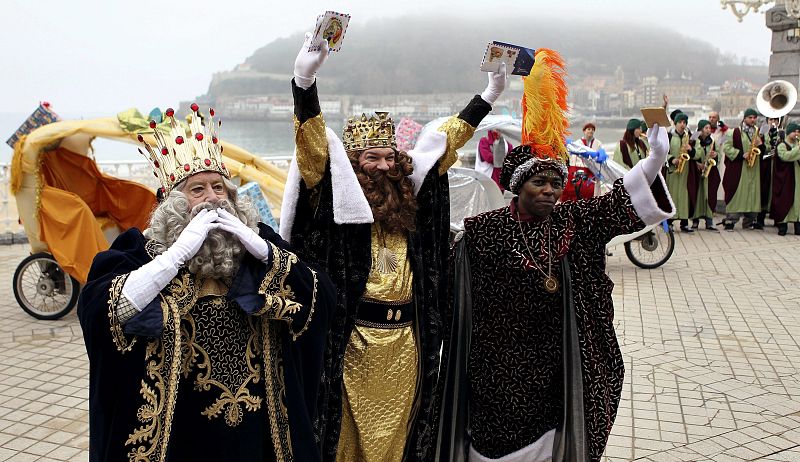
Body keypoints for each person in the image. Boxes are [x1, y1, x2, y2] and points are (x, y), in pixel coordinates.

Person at [437, 48, 675, 462]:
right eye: (539, 182)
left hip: (558, 367)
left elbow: (622, 202)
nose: (549, 190)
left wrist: (654, 159)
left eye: (555, 182)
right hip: (495, 370)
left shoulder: (575, 221)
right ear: (516, 186)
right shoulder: (482, 232)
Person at [280, 33, 507, 462]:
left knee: (399, 439)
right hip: (351, 348)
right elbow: (312, 150)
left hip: (406, 346)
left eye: (389, 158)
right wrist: (304, 82)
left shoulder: (410, 200)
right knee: (343, 441)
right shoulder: (335, 198)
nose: (383, 167)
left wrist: (489, 94)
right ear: (354, 164)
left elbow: (444, 141)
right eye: (371, 159)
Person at [77, 105, 336, 462]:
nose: (213, 198)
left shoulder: (258, 244)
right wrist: (176, 257)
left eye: (220, 188)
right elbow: (104, 311)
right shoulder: (140, 251)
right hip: (178, 435)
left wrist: (262, 249)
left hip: (257, 434)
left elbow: (321, 299)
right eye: (197, 190)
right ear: (172, 204)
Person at [721, 108, 766, 231]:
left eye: (754, 117)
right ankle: (731, 220)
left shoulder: (757, 133)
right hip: (740, 169)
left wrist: (760, 144)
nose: (753, 120)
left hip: (753, 169)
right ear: (744, 118)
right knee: (737, 194)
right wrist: (741, 154)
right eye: (750, 117)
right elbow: (727, 148)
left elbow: (763, 152)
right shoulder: (734, 132)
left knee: (752, 195)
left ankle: (749, 221)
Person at [666, 112, 701, 232]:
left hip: (686, 171)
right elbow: (662, 153)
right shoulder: (669, 136)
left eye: (684, 122)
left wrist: (691, 149)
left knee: (685, 196)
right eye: (680, 122)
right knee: (672, 195)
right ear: (675, 123)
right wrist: (672, 159)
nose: (682, 125)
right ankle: (669, 222)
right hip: (672, 172)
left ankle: (684, 223)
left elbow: (699, 153)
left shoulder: (690, 137)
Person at [771, 122, 800, 235]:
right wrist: (798, 150)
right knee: (785, 200)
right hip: (786, 179)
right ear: (789, 132)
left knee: (797, 201)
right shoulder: (782, 145)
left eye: (798, 132)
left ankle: (798, 224)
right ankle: (782, 225)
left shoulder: (797, 144)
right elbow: (785, 156)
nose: (797, 134)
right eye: (794, 131)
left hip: (797, 178)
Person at [690, 120, 720, 230]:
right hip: (697, 172)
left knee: (709, 196)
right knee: (697, 196)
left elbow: (719, 156)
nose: (708, 130)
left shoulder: (712, 141)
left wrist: (715, 155)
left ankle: (709, 221)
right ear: (701, 129)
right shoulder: (694, 141)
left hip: (709, 173)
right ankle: (695, 220)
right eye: (706, 128)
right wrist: (697, 164)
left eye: (709, 128)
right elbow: (690, 155)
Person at [562, 123, 601, 201]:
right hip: (579, 169)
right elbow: (573, 158)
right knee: (577, 190)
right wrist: (572, 170)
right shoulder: (578, 143)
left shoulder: (598, 143)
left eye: (592, 130)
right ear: (584, 131)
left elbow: (599, 157)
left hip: (592, 170)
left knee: (591, 192)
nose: (591, 131)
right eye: (588, 129)